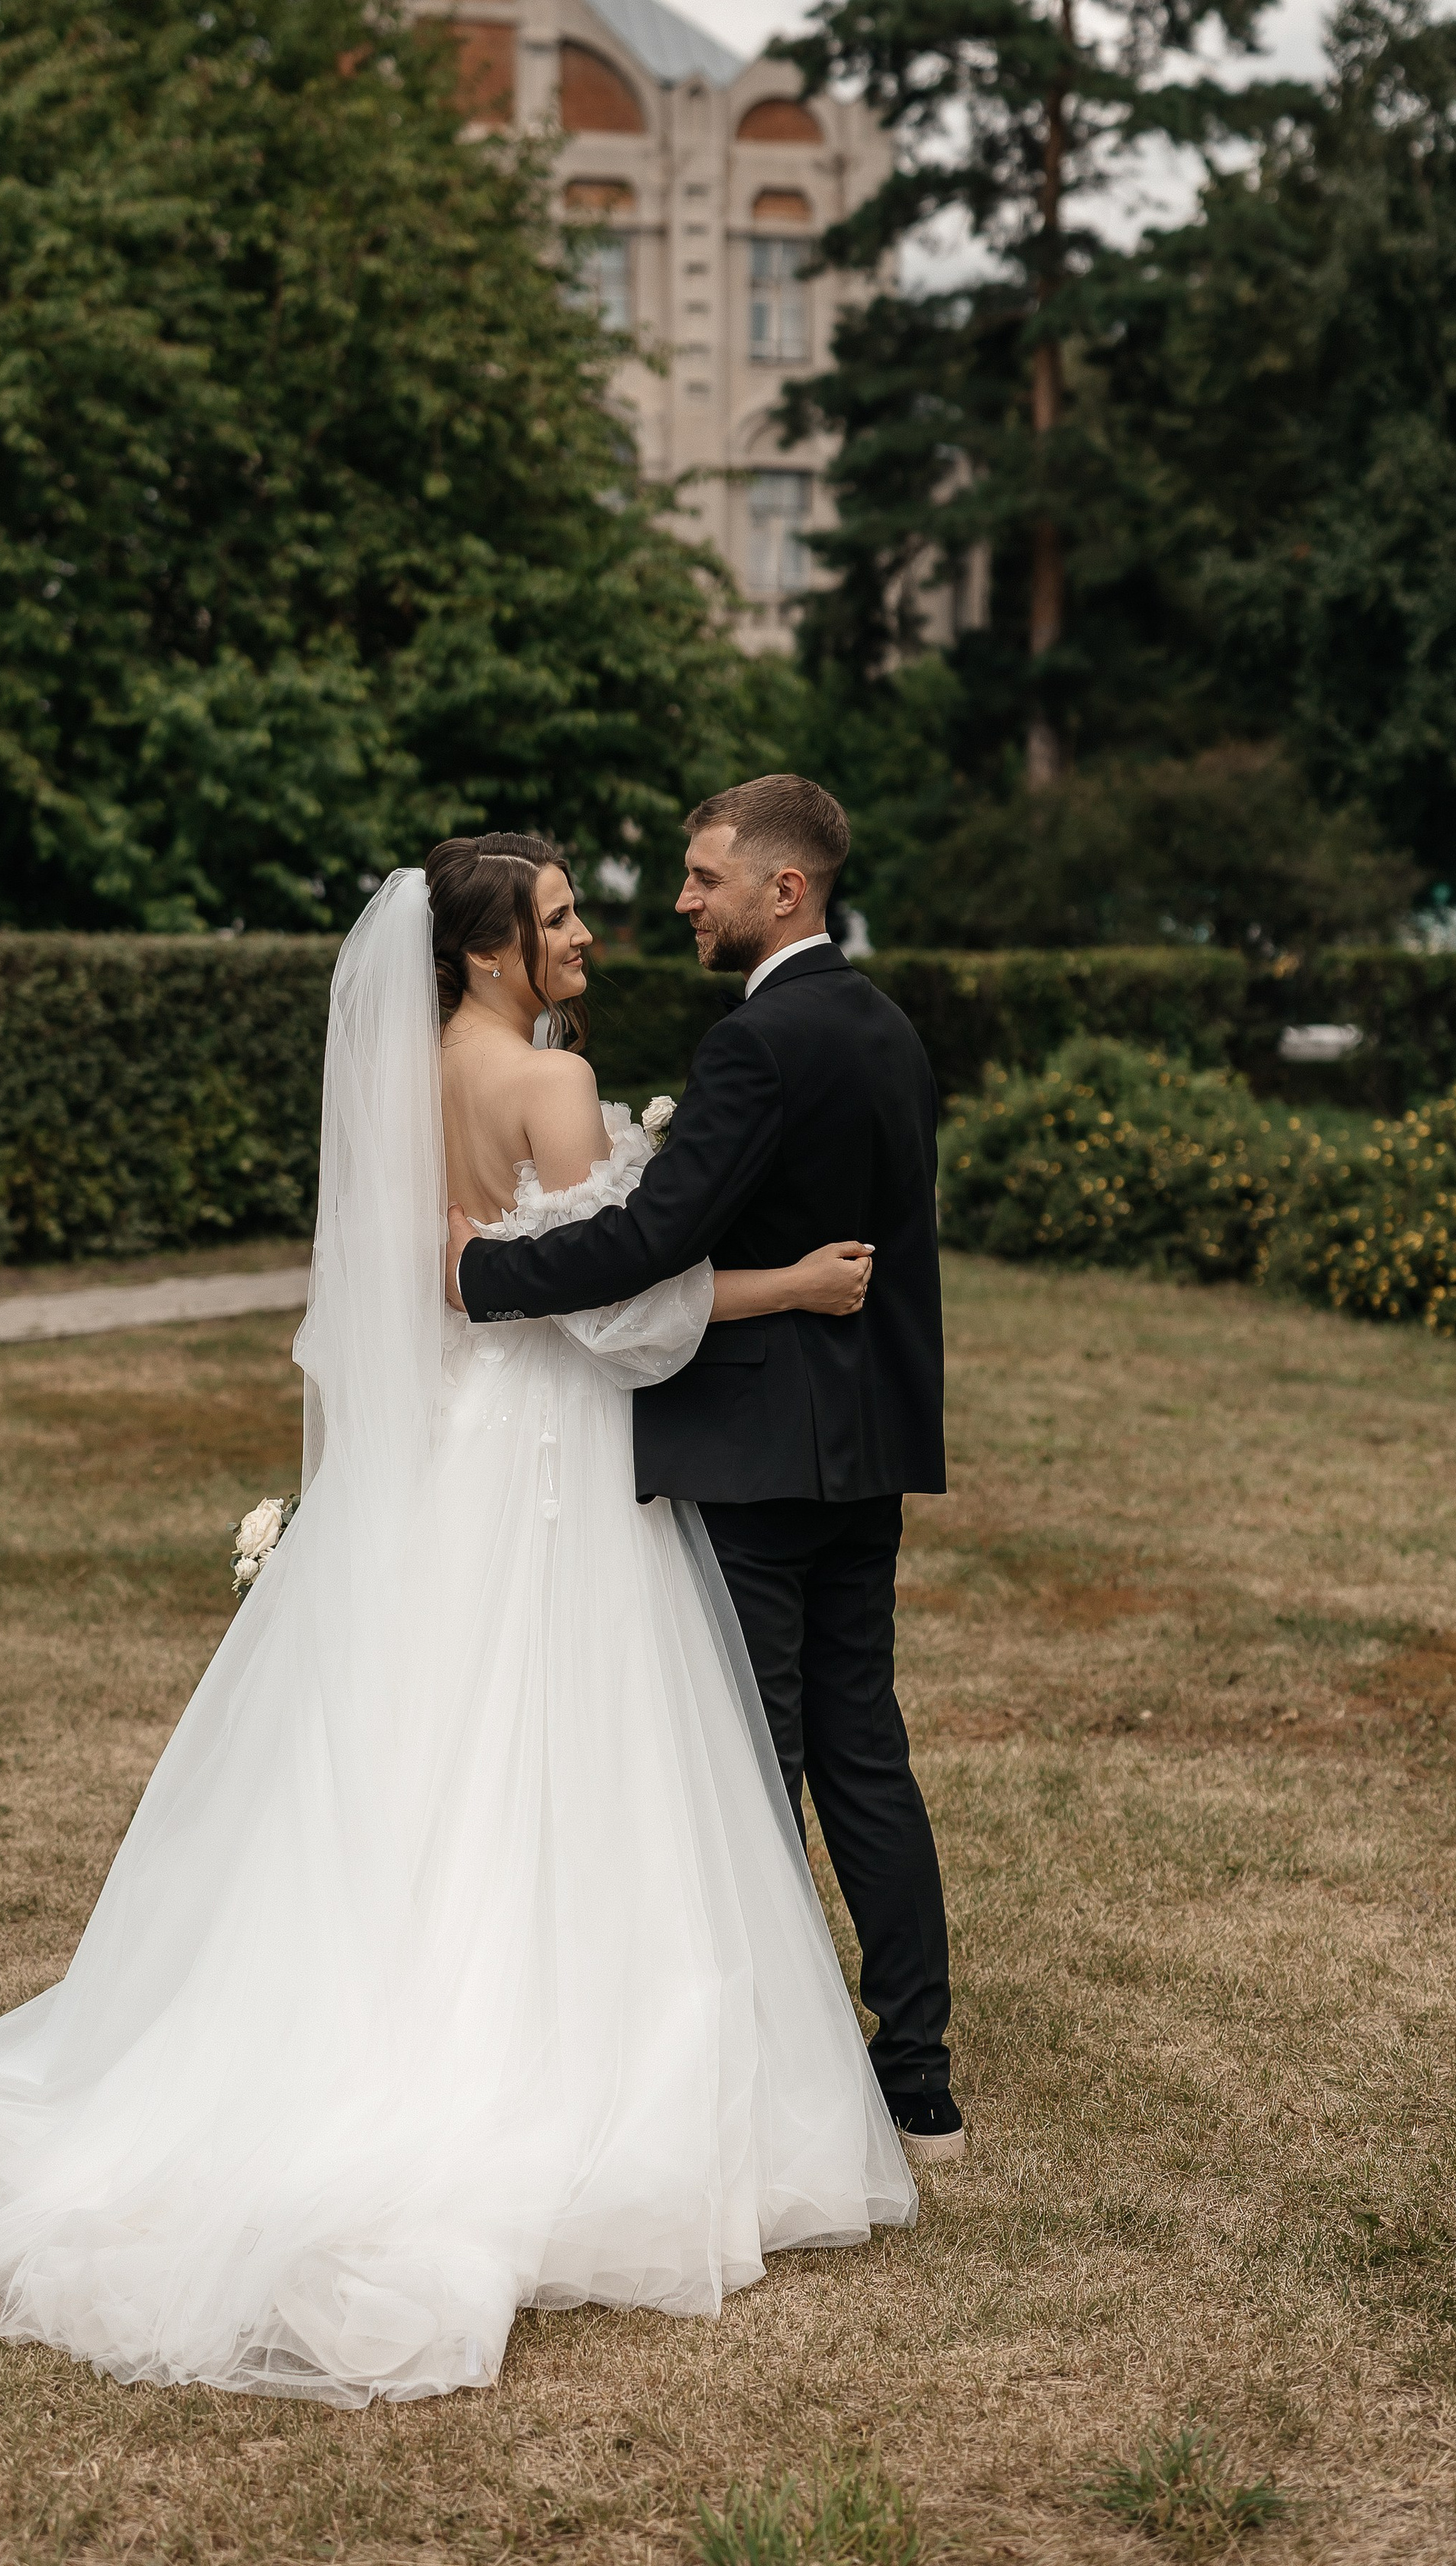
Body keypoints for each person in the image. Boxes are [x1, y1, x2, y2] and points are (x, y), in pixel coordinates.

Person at [0, 838, 915, 2407]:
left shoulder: (404, 1082)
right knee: (565, 1750)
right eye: (557, 917)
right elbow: (612, 1309)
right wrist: (786, 1286)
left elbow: (432, 1281)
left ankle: (354, 2024)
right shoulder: (553, 1081)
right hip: (546, 1457)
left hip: (442, 1463)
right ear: (486, 953)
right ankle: (553, 2059)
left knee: (420, 1747)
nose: (586, 935)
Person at [449, 776, 959, 2163]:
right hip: (865, 1448)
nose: (681, 900)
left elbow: (646, 1241)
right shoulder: (888, 1028)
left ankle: (772, 2078)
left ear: (782, 891)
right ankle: (918, 2078)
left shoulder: (757, 1043)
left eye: (704, 878)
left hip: (749, 1450)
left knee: (749, 1762)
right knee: (865, 1751)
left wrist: (481, 1275)